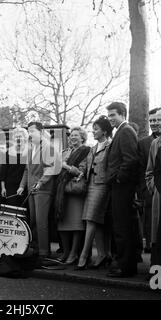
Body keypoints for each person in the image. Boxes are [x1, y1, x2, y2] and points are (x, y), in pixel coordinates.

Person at [17, 122, 61, 258]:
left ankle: (44, 253)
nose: (30, 134)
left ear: (41, 132)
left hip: (43, 189)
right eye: (28, 131)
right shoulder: (31, 149)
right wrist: (22, 186)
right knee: (34, 221)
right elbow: (26, 170)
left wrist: (41, 183)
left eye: (32, 131)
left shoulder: (49, 147)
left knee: (41, 221)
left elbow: (50, 169)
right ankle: (35, 249)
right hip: (31, 188)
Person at [105, 101, 139, 278]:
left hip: (122, 187)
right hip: (119, 186)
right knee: (122, 226)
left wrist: (118, 179)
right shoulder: (122, 131)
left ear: (123, 114)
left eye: (113, 115)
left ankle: (125, 267)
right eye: (109, 115)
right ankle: (125, 264)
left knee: (122, 227)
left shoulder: (126, 131)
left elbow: (131, 159)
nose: (110, 118)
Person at [75, 116, 113, 270]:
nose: (93, 132)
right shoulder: (92, 148)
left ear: (104, 131)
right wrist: (81, 173)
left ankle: (84, 256)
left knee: (91, 219)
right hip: (90, 185)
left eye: (96, 129)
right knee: (95, 221)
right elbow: (86, 166)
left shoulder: (111, 146)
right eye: (93, 129)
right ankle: (103, 254)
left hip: (103, 186)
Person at [55, 127, 90, 265]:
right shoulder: (65, 152)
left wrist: (67, 167)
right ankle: (66, 252)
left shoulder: (86, 151)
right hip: (62, 191)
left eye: (76, 135)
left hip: (75, 190)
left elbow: (82, 171)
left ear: (82, 138)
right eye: (71, 136)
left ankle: (74, 253)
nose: (73, 137)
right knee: (62, 223)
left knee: (76, 224)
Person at [138, 108, 161, 254]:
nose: (154, 123)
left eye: (157, 120)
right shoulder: (145, 143)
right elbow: (143, 169)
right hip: (153, 191)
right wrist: (151, 187)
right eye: (152, 120)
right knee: (152, 225)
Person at [145, 109, 161, 268]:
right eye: (153, 120)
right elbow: (149, 172)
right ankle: (157, 273)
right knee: (157, 234)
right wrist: (154, 189)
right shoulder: (155, 144)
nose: (157, 123)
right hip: (159, 194)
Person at [0, 127, 28, 207]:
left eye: (20, 136)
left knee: (23, 210)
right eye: (16, 136)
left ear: (25, 138)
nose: (18, 138)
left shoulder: (29, 152)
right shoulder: (8, 153)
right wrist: (3, 188)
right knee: (12, 209)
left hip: (25, 186)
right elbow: (3, 172)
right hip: (10, 187)